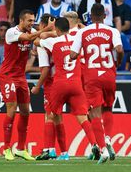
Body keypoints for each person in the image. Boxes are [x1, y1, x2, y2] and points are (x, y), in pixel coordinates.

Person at [40, 17, 104, 163]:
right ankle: (95, 145)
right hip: (76, 84)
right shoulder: (77, 40)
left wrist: (48, 30)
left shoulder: (54, 41)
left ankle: (64, 153)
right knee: (82, 117)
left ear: (57, 29)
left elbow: (38, 40)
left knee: (54, 116)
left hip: (60, 84)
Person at [70, 3, 124, 162]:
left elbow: (73, 55)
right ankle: (108, 138)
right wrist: (117, 63)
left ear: (90, 16)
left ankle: (103, 149)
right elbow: (119, 49)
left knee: (94, 113)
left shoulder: (83, 32)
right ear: (105, 16)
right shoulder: (113, 31)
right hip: (108, 74)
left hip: (91, 77)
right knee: (108, 108)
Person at [0, 9, 54, 161]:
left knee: (25, 112)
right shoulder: (11, 32)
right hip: (7, 75)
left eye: (33, 20)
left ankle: (21, 149)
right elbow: (29, 37)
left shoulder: (33, 31)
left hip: (20, 76)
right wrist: (46, 29)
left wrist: (59, 32)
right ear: (21, 21)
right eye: (29, 20)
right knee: (12, 107)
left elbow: (37, 39)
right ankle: (6, 148)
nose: (32, 23)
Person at [32, 14, 68, 161]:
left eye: (39, 26)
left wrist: (37, 86)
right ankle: (63, 152)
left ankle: (49, 150)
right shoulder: (60, 39)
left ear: (43, 26)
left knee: (49, 116)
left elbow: (45, 69)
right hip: (64, 80)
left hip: (51, 83)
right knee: (58, 118)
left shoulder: (43, 43)